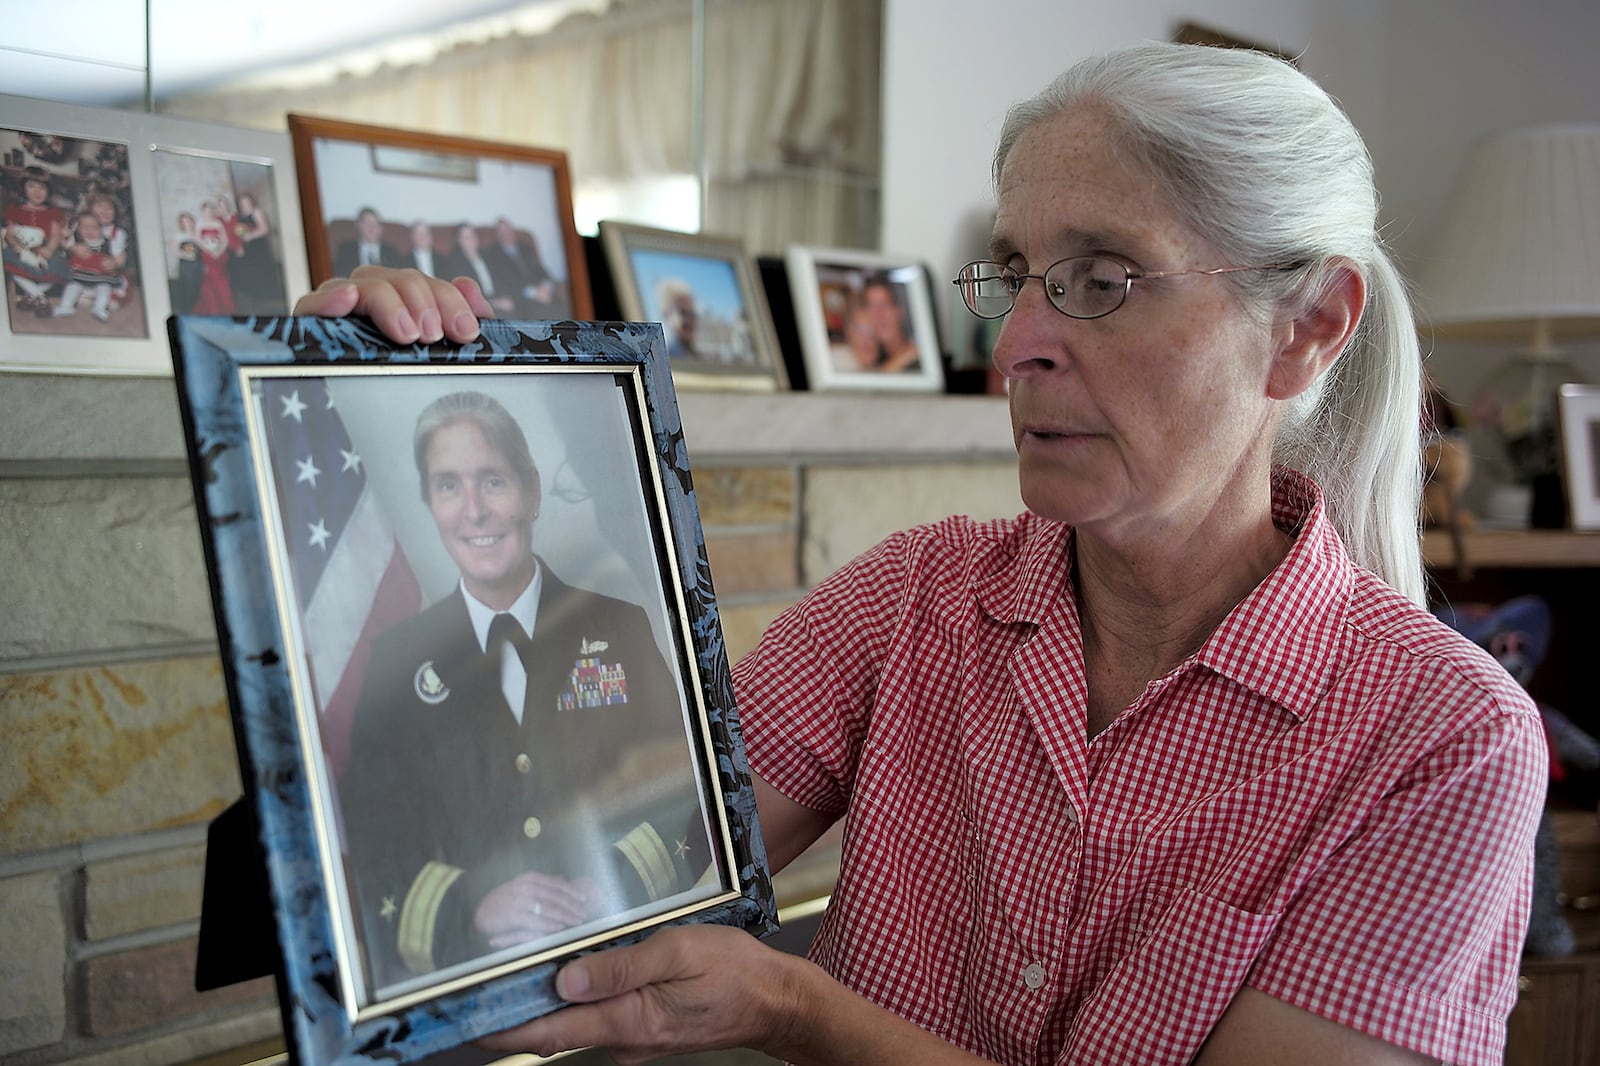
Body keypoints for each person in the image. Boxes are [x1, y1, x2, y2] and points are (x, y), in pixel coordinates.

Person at [296, 41, 1547, 1065]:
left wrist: (795, 1009)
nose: (1017, 352)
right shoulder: (913, 600)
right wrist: (353, 406)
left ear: (1307, 330)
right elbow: (573, 890)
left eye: (1102, 280)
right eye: (1015, 277)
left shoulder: (1441, 743)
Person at [336, 389, 711, 993]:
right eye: (448, 486)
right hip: (480, 986)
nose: (473, 511)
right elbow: (373, 848)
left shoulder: (618, 626)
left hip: (627, 965)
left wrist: (616, 881)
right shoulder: (393, 663)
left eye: (493, 480)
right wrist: (474, 905)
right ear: (430, 504)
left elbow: (693, 789)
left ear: (533, 491)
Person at [3, 166, 68, 317]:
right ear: (23, 188)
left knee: (59, 269)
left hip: (44, 248)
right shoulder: (15, 209)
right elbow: (10, 234)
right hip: (22, 248)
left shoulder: (52, 212)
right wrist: (17, 247)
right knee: (10, 266)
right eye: (31, 186)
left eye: (42, 187)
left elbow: (55, 235)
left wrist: (50, 250)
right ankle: (40, 297)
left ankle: (33, 296)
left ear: (49, 191)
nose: (37, 191)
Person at [483, 216, 561, 317]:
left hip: (543, 290)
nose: (506, 234)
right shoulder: (493, 254)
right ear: (498, 236)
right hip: (522, 297)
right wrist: (534, 292)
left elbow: (541, 269)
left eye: (508, 229)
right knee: (540, 311)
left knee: (560, 306)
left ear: (513, 231)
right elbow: (504, 281)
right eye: (502, 231)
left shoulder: (525, 247)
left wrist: (546, 286)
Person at [52, 209, 120, 321]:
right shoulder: (75, 241)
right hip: (79, 277)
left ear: (101, 229)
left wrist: (112, 262)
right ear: (78, 229)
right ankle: (66, 306)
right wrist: (67, 238)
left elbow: (115, 257)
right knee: (71, 287)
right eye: (85, 227)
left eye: (94, 228)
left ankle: (99, 308)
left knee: (105, 288)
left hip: (100, 278)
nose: (90, 231)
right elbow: (64, 243)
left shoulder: (106, 242)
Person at [230, 191, 285, 311]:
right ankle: (257, 296)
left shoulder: (257, 212)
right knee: (252, 271)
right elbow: (239, 231)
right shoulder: (240, 216)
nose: (245, 204)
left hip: (258, 246)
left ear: (251, 201)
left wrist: (250, 236)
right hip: (249, 249)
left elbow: (265, 229)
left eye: (247, 202)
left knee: (262, 269)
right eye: (242, 203)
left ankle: (268, 297)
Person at [855, 273, 921, 371]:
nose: (879, 314)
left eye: (885, 304)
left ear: (899, 311)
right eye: (872, 306)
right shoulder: (869, 360)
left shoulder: (921, 355)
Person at [332, 206, 403, 277]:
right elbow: (340, 275)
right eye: (367, 223)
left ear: (381, 229)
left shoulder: (391, 252)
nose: (371, 228)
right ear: (358, 225)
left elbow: (396, 277)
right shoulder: (346, 249)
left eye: (375, 224)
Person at [192, 199, 235, 315]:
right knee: (210, 280)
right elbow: (197, 240)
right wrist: (209, 250)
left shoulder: (218, 223)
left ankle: (225, 306)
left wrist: (219, 250)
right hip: (207, 255)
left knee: (222, 279)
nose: (208, 213)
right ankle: (212, 307)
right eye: (206, 211)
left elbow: (224, 239)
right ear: (202, 212)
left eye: (210, 211)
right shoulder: (199, 223)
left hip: (219, 255)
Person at [654, 276, 699, 359]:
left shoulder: (690, 351)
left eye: (692, 313)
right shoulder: (667, 353)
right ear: (667, 314)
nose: (690, 320)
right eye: (683, 313)